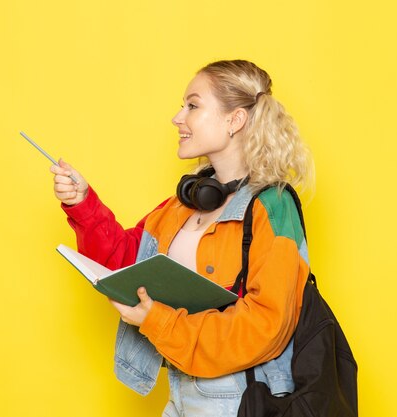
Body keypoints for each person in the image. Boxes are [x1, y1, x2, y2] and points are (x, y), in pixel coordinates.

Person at [50, 59, 314, 417]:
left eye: (192, 105)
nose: (178, 117)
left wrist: (157, 321)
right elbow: (127, 261)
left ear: (234, 120)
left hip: (238, 398)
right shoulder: (183, 203)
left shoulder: (273, 206)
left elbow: (267, 325)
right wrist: (82, 203)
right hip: (182, 389)